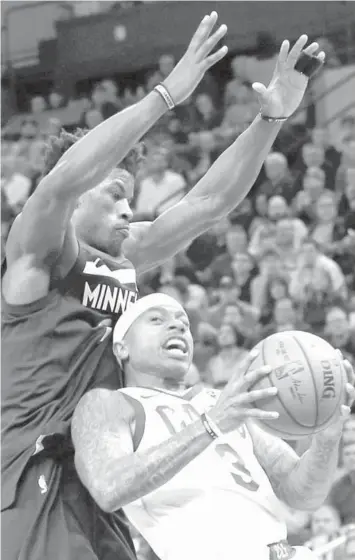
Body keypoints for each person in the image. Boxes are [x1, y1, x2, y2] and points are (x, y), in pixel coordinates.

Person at [1, 16, 326, 558]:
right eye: (115, 194)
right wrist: (165, 96)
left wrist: (272, 117)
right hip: (32, 466)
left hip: (103, 471)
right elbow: (61, 182)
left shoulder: (125, 256)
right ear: (83, 192)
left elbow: (208, 205)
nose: (130, 207)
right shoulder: (37, 255)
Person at [72, 293, 355, 560]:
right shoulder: (109, 403)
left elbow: (303, 494)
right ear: (122, 347)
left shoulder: (226, 401)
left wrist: (327, 439)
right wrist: (211, 424)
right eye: (157, 320)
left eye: (184, 323)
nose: (177, 326)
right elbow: (108, 487)